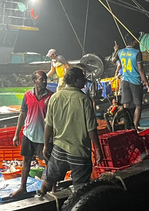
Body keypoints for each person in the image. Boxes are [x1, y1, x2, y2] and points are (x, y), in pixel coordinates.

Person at [40, 67, 102, 194]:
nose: (85, 80)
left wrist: (46, 145)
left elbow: (48, 125)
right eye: (82, 78)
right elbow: (91, 129)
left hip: (59, 149)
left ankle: (41, 197)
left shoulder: (55, 97)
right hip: (79, 151)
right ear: (75, 80)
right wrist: (98, 149)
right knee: (81, 189)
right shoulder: (84, 100)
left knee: (48, 180)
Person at [10, 70, 53, 198]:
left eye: (45, 79)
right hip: (29, 134)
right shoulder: (27, 95)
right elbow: (22, 114)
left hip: (44, 137)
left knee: (49, 162)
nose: (44, 81)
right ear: (34, 81)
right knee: (26, 160)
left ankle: (53, 188)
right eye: (41, 79)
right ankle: (22, 187)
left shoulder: (51, 96)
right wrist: (16, 134)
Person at [116, 36, 149, 130]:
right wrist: (146, 82)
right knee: (138, 105)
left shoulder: (120, 52)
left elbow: (113, 61)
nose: (138, 42)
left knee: (126, 104)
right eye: (137, 40)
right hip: (135, 81)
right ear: (133, 41)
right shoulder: (137, 53)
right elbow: (140, 70)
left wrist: (116, 50)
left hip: (125, 81)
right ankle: (135, 126)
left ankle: (128, 126)